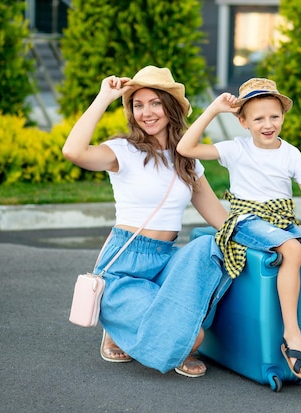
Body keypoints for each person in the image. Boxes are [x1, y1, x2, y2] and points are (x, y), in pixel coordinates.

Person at [62, 65, 229, 377]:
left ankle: (138, 327)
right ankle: (121, 325)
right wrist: (104, 96)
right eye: (138, 105)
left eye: (155, 103)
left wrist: (269, 239)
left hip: (166, 262)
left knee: (208, 247)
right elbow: (73, 151)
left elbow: (221, 219)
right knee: (194, 339)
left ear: (171, 107)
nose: (146, 112)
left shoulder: (186, 158)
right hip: (125, 265)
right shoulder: (122, 151)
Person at [177, 78, 301, 383]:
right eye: (258, 118)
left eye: (274, 116)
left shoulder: (290, 153)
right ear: (242, 121)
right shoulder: (235, 149)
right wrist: (214, 109)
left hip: (281, 220)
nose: (268, 124)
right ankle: (291, 337)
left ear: (283, 116)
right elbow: (184, 147)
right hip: (247, 221)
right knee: (292, 249)